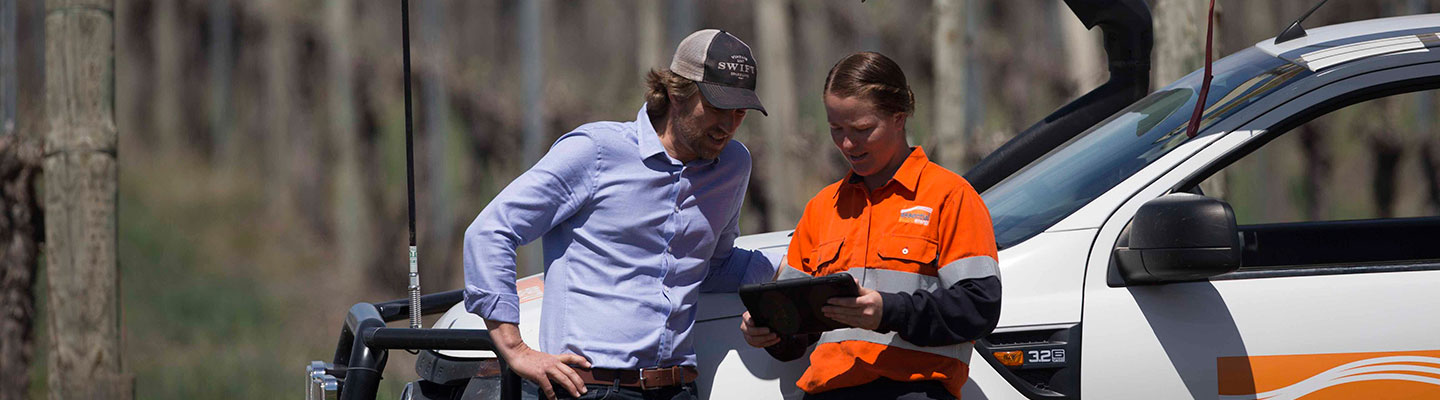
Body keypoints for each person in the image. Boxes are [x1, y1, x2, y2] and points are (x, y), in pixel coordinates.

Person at [464, 29, 778, 400]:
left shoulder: (734, 165)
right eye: (717, 108)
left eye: (740, 112)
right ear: (677, 93)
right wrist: (516, 350)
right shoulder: (595, 152)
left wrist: (790, 276)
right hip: (588, 388)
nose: (728, 125)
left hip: (680, 388)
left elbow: (713, 265)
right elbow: (490, 231)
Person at [739, 52, 1002, 400]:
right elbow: (795, 328)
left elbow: (979, 307)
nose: (847, 144)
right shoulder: (822, 208)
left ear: (899, 116)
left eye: (862, 130)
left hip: (913, 391)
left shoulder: (950, 196)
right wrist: (769, 330)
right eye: (836, 129)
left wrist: (888, 310)